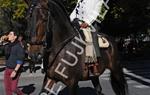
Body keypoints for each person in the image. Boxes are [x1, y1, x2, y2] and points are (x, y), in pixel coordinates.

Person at [0, 30, 25, 95]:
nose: (9, 35)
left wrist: (15, 71)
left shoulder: (19, 46)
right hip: (7, 69)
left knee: (13, 88)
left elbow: (20, 60)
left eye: (11, 34)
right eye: (9, 34)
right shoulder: (7, 45)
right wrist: (1, 41)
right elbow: (1, 51)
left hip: (15, 69)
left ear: (15, 37)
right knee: (7, 89)